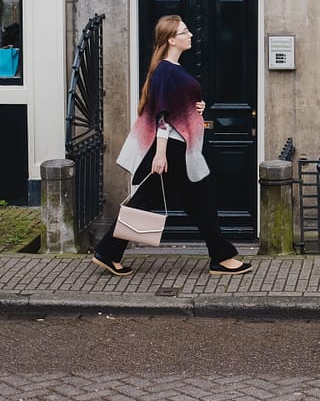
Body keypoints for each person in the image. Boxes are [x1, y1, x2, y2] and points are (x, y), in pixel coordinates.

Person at [91, 15, 253, 277]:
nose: (190, 35)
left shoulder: (172, 70)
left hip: (179, 147)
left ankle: (108, 252)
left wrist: (197, 106)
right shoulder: (166, 71)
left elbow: (177, 106)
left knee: (165, 200)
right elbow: (162, 116)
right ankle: (221, 258)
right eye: (184, 31)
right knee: (198, 199)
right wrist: (160, 154)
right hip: (173, 150)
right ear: (171, 39)